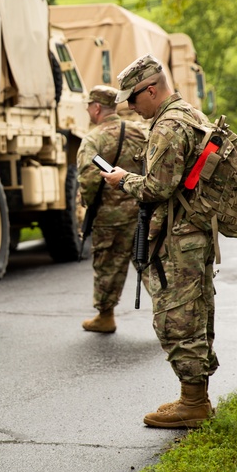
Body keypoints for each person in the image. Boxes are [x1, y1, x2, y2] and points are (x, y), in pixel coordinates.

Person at [100, 54, 218, 429]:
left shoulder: (169, 125)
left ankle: (194, 403)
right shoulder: (193, 114)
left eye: (133, 100)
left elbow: (157, 187)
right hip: (194, 232)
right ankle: (194, 397)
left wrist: (122, 179)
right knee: (195, 312)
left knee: (176, 317)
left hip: (179, 236)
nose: (131, 109)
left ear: (151, 89)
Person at [76, 85, 146, 333]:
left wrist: (88, 205)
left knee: (107, 265)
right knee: (151, 264)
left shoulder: (93, 139)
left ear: (96, 108)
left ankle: (105, 316)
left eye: (88, 106)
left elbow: (88, 179)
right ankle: (169, 318)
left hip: (109, 217)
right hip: (143, 212)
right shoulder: (140, 131)